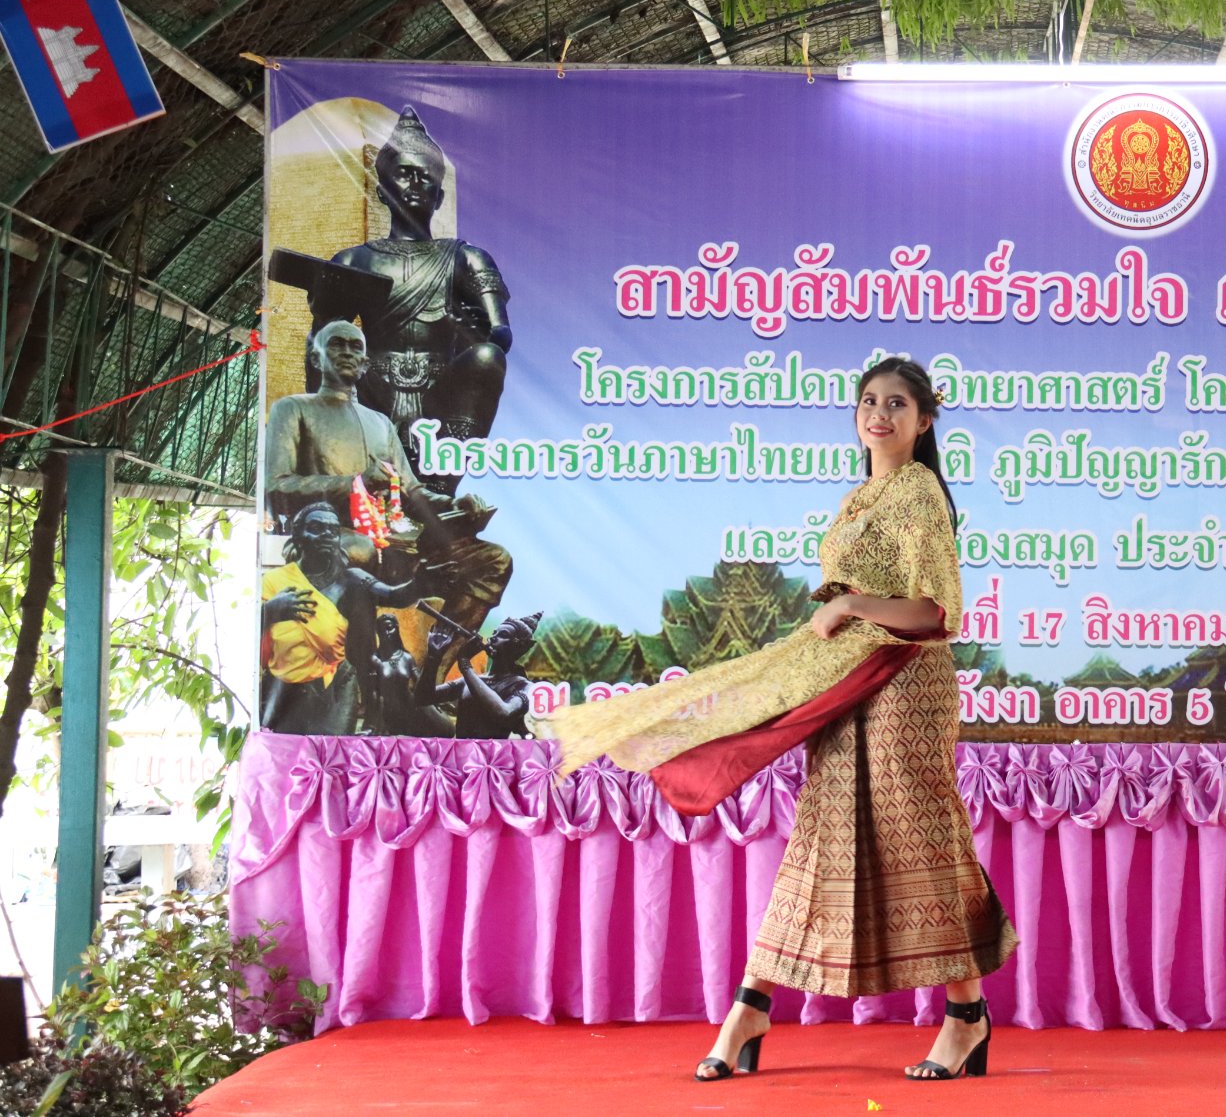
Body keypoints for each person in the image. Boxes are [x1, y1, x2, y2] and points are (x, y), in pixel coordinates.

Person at [544, 357, 1016, 1082]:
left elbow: (935, 612)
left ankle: (964, 1017)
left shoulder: (918, 491)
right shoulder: (863, 495)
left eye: (897, 403)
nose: (879, 414)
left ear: (925, 419)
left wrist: (851, 604)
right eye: (868, 400)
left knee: (916, 838)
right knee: (822, 838)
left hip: (902, 686)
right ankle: (752, 1006)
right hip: (847, 679)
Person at [309, 107, 512, 493]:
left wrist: (474, 331)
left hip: (440, 391)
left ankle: (440, 484)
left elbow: (499, 333)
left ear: (440, 196)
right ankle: (354, 473)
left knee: (488, 358)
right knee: (325, 352)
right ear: (381, 190)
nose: (416, 182)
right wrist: (324, 306)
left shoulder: (467, 258)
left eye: (426, 176)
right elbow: (323, 342)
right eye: (404, 173)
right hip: (371, 386)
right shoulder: (353, 261)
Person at [265, 318, 510, 636]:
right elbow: (275, 488)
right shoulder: (292, 409)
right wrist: (354, 484)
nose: (347, 352)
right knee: (360, 549)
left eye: (355, 347)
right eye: (337, 344)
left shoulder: (381, 423)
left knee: (493, 559)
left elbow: (413, 493)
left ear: (365, 364)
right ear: (316, 357)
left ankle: (436, 660)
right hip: (329, 539)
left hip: (394, 545)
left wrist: (454, 504)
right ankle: (349, 657)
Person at [260, 505, 430, 735]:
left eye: (333, 530)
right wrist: (271, 610)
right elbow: (249, 638)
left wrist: (419, 584)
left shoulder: (352, 580)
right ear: (298, 535)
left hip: (334, 687)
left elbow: (393, 596)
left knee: (334, 751)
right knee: (283, 750)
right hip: (283, 691)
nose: (327, 535)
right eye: (317, 528)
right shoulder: (274, 581)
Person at [421, 612, 543, 739]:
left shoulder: (525, 686)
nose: (493, 638)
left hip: (493, 752)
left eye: (502, 635)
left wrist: (465, 664)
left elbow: (504, 713)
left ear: (518, 646)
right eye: (494, 633)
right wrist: (433, 657)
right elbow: (423, 698)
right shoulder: (470, 680)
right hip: (460, 750)